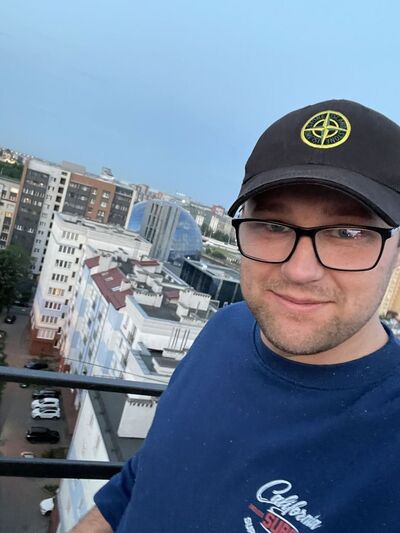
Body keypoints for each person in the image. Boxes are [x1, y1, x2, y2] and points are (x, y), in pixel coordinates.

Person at [70, 99, 400, 533]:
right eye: (274, 226)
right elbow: (139, 483)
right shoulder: (223, 329)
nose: (300, 270)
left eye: (347, 232)